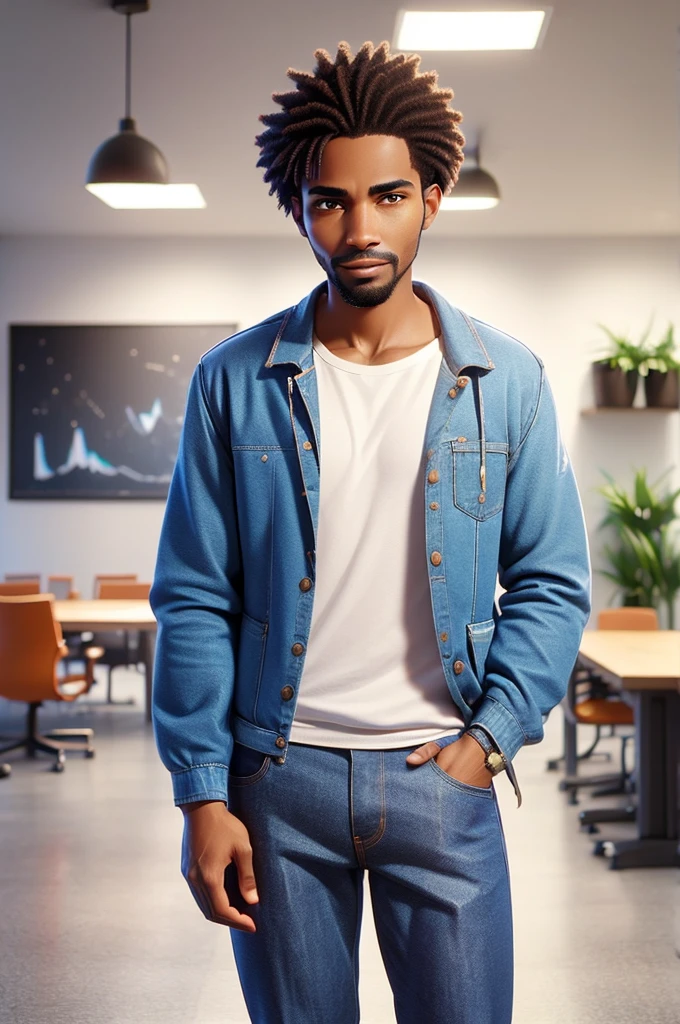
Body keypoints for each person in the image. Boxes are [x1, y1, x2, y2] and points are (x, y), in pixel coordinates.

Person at [151, 40, 591, 1024]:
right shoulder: (231, 382)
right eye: (328, 201)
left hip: (442, 774)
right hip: (276, 784)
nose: (358, 227)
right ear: (299, 208)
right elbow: (194, 595)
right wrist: (201, 795)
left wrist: (489, 739)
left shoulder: (505, 382)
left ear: (431, 196)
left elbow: (552, 582)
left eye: (387, 196)